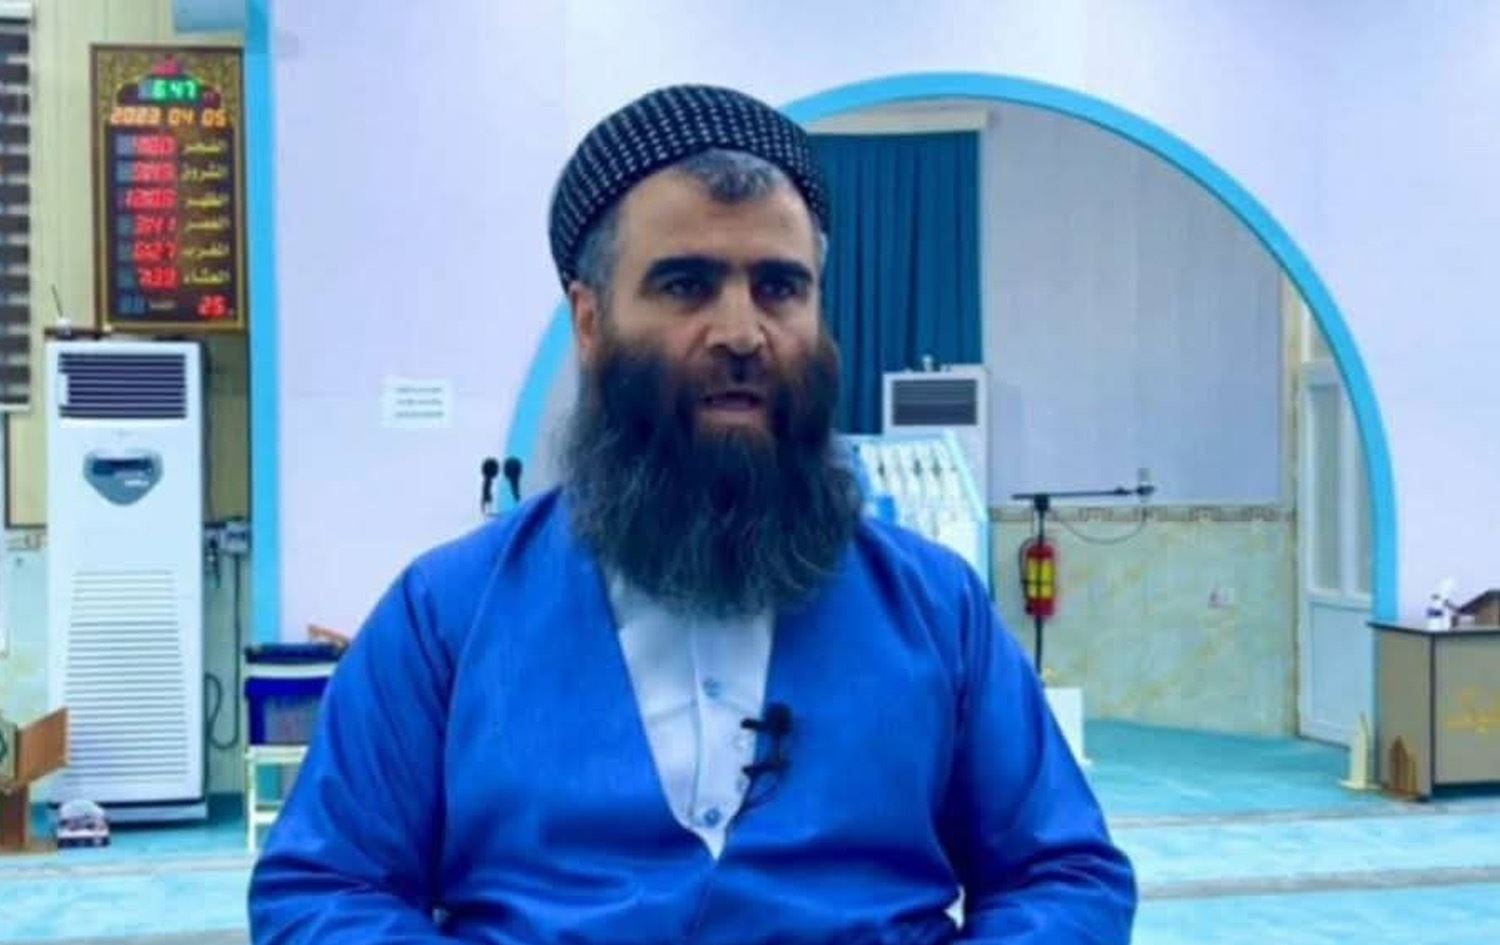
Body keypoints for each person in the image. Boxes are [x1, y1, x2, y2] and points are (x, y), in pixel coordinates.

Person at [248, 84, 1136, 944]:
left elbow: (1064, 875)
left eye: (780, 287)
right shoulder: (446, 614)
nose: (742, 332)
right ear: (590, 321)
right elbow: (324, 890)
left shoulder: (936, 609)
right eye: (686, 284)